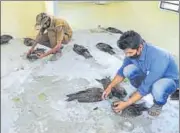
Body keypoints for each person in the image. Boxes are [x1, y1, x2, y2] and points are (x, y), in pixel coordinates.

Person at [102, 30, 179, 116]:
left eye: (130, 52)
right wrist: (110, 86)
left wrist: (126, 103)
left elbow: (147, 85)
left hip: (167, 81)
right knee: (127, 69)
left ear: (140, 47)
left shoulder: (159, 57)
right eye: (125, 52)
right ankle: (139, 94)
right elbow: (121, 72)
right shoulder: (132, 52)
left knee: (158, 87)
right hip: (150, 76)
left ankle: (158, 103)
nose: (127, 55)